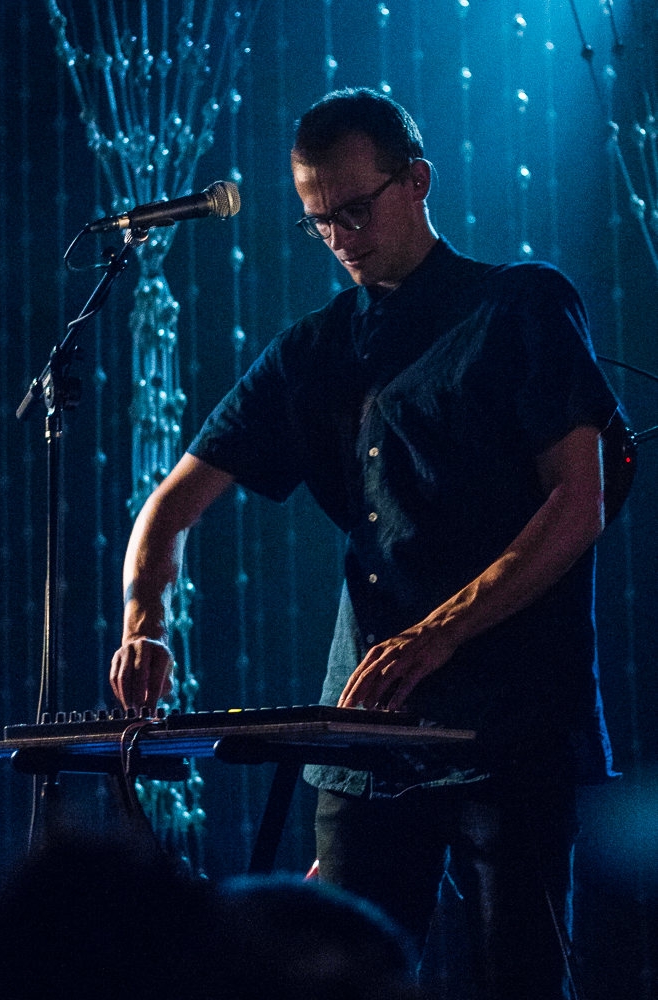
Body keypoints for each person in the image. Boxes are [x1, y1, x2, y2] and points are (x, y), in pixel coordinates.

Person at [111, 88, 626, 997]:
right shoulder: (310, 351)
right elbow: (169, 508)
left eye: (356, 209)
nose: (339, 236)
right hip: (363, 741)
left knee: (518, 979)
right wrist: (142, 622)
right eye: (319, 221)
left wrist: (438, 633)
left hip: (506, 728)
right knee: (334, 980)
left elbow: (577, 503)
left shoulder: (518, 305)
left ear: (416, 180)